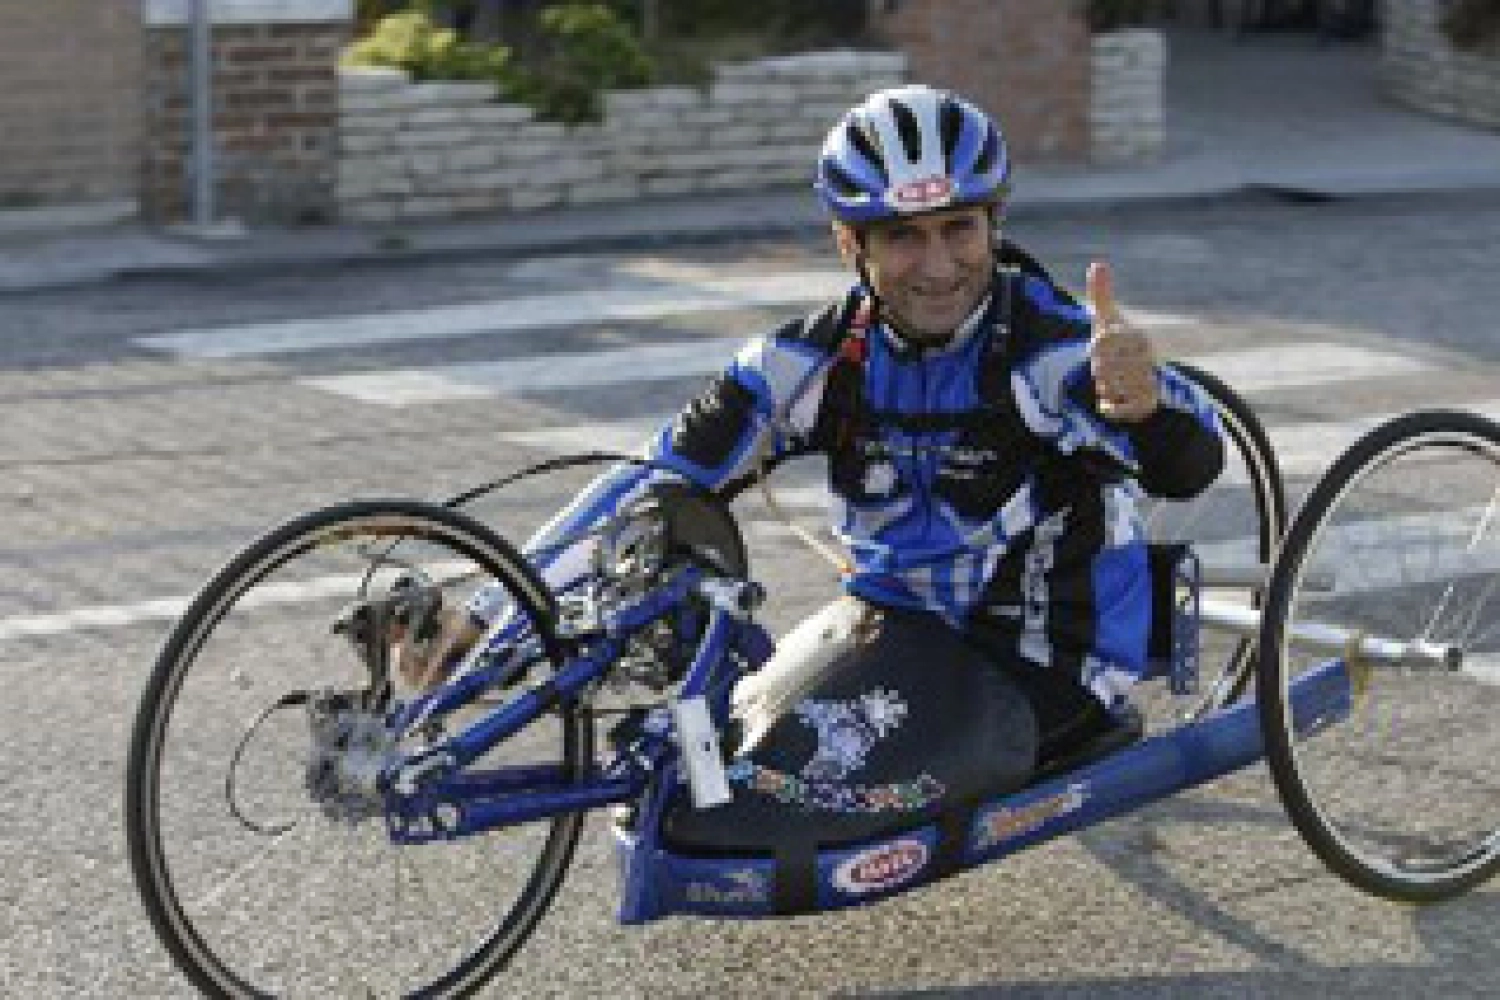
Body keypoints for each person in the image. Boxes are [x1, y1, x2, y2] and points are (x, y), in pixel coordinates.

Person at [397, 84, 1225, 773]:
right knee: (702, 768)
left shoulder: (1054, 351)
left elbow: (1189, 468)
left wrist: (1146, 406)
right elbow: (653, 481)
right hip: (893, 629)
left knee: (791, 800)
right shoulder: (807, 362)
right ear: (848, 243)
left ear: (992, 225)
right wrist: (489, 608)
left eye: (959, 230)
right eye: (902, 237)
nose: (938, 267)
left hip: (1043, 663)